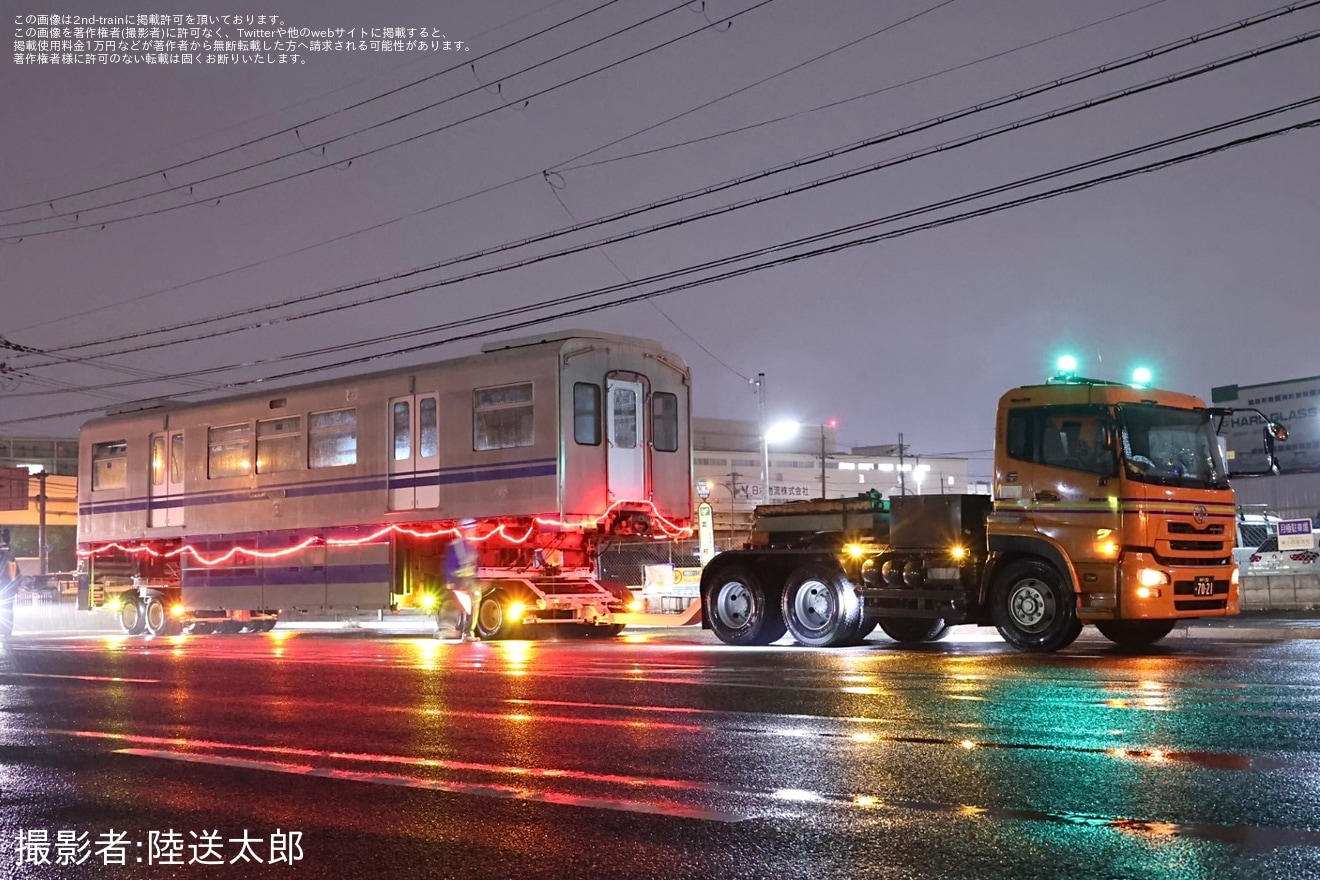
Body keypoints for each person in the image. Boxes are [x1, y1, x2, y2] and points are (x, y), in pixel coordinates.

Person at [441, 519, 481, 641]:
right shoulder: (457, 546)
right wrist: (450, 581)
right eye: (472, 529)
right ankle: (461, 632)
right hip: (460, 581)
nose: (474, 532)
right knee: (464, 606)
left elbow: (475, 565)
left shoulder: (470, 546)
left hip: (469, 581)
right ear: (465, 530)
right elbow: (449, 565)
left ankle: (467, 632)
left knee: (472, 606)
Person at [0, 528, 20, 639]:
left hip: (6, 585)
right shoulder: (9, 552)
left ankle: (6, 630)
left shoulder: (8, 552)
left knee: (6, 608)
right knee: (7, 608)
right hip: (8, 586)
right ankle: (6, 630)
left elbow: (14, 568)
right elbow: (15, 569)